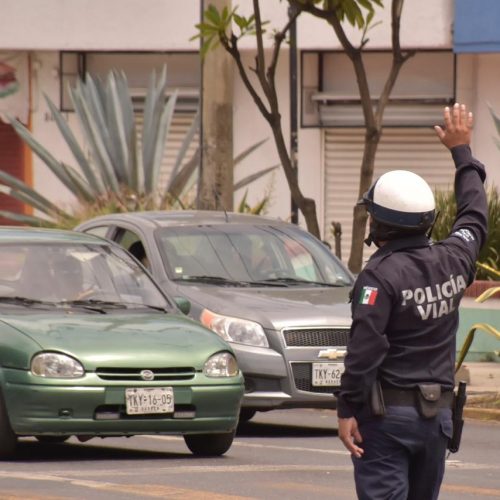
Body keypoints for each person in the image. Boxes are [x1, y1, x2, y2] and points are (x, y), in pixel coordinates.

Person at [334, 103, 488, 500]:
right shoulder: (454, 259)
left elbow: (365, 349)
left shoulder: (378, 277)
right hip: (437, 421)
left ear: (378, 224)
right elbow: (473, 215)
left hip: (386, 422)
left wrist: (346, 408)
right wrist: (462, 152)